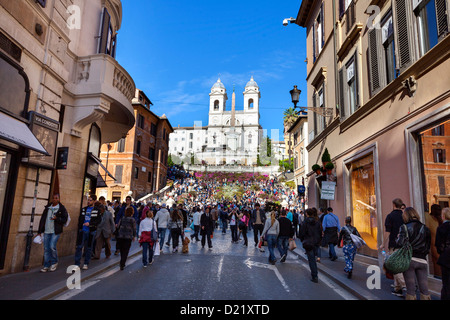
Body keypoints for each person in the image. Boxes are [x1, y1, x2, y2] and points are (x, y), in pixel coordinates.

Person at [395, 207, 431, 300]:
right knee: (424, 289)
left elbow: (400, 244)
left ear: (406, 216)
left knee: (411, 289)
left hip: (410, 260)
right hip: (422, 260)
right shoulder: (425, 227)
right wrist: (423, 254)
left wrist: (398, 238)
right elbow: (428, 245)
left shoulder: (404, 227)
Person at [380, 198, 406, 297]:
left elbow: (388, 232)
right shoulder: (405, 216)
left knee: (394, 266)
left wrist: (383, 243)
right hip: (405, 245)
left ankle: (404, 285)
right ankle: (397, 289)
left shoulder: (390, 216)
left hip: (394, 245)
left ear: (394, 205)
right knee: (401, 265)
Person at [38, 194, 68, 272]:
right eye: (53, 198)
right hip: (47, 230)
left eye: (56, 198)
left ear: (59, 199)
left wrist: (57, 218)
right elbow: (42, 220)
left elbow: (65, 219)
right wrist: (40, 231)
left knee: (52, 246)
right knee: (46, 248)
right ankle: (46, 265)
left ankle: (54, 262)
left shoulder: (61, 208)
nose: (54, 199)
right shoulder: (47, 208)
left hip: (55, 231)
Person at [75, 195, 102, 270]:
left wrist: (90, 224)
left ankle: (86, 263)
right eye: (88, 200)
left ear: (94, 201)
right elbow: (80, 219)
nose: (88, 201)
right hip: (82, 230)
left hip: (91, 231)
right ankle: (77, 264)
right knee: (79, 247)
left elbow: (98, 220)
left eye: (90, 200)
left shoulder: (97, 210)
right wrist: (80, 226)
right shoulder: (84, 209)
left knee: (88, 248)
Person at [299, 208, 322, 283]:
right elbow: (320, 232)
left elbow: (301, 232)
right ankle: (315, 274)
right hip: (315, 242)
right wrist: (318, 241)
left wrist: (302, 240)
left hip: (308, 243)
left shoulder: (305, 222)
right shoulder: (317, 222)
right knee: (313, 259)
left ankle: (314, 275)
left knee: (311, 260)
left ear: (307, 214)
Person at [435, 207, 450, 300]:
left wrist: (442, 251)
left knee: (446, 283)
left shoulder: (441, 228)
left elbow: (438, 245)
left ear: (443, 216)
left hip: (445, 258)